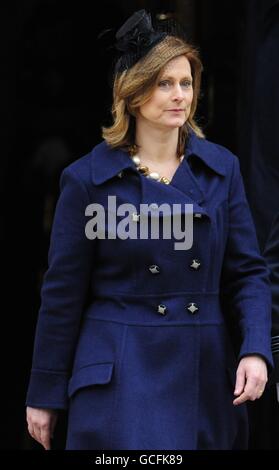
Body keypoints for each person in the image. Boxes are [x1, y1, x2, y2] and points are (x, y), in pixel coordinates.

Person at [26, 9, 273, 450]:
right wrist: (44, 392)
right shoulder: (86, 181)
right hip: (119, 378)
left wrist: (256, 348)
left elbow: (248, 274)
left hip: (203, 372)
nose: (180, 94)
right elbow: (62, 294)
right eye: (164, 83)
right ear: (133, 93)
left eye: (186, 82)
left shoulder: (223, 171)